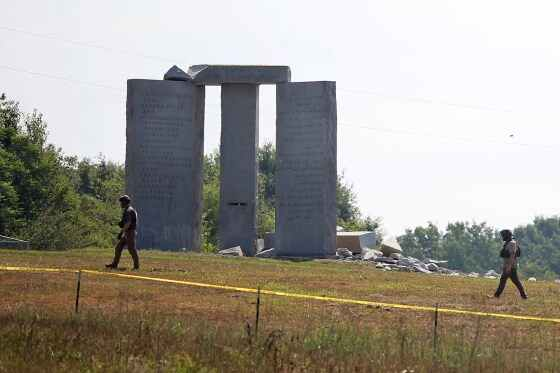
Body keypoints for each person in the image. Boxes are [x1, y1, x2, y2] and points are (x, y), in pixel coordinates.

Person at [106, 195, 139, 270]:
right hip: (128, 232)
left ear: (125, 202)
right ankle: (114, 264)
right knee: (118, 247)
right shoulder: (129, 210)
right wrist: (121, 223)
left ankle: (136, 266)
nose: (120, 204)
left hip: (130, 233)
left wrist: (121, 232)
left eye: (121, 202)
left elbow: (128, 223)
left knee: (131, 249)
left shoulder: (128, 211)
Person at [493, 229, 527, 299]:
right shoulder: (508, 243)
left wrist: (509, 267)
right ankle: (524, 296)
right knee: (515, 281)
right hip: (509, 265)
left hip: (510, 266)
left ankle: (496, 296)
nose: (503, 237)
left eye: (503, 235)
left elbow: (512, 255)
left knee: (503, 280)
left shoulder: (512, 243)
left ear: (507, 235)